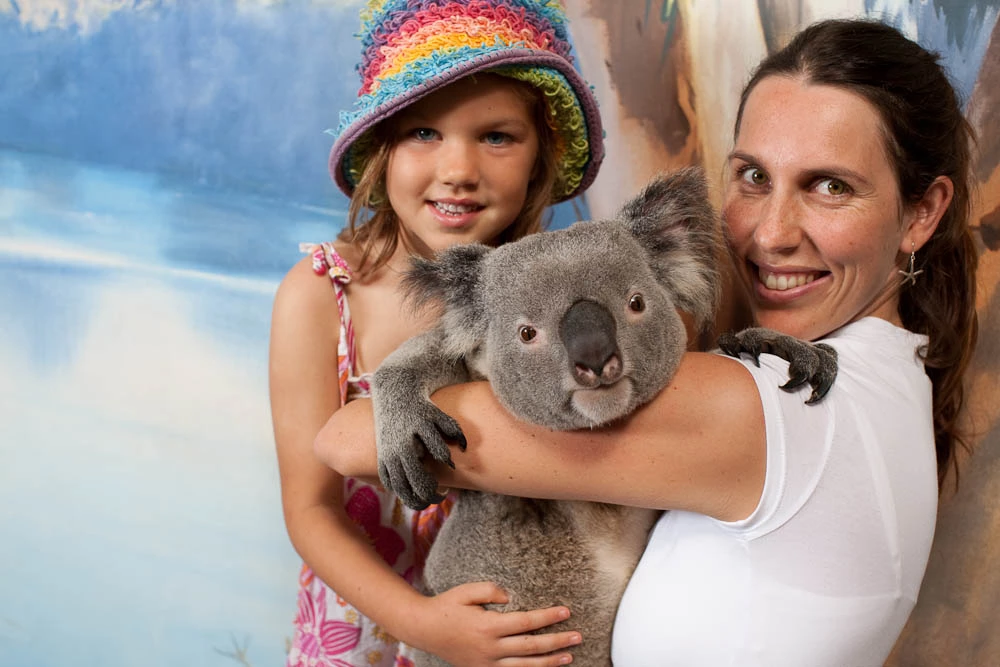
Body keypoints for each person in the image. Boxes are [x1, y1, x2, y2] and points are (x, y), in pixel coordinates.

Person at [315, 18, 980, 666]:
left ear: (922, 211)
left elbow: (349, 438)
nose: (773, 233)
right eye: (752, 176)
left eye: (831, 186)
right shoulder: (870, 379)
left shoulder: (776, 402)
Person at [268, 1, 605, 665]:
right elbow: (310, 509)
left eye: (497, 136)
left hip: (514, 629)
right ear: (381, 148)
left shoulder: (558, 298)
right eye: (424, 132)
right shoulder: (319, 297)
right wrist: (421, 623)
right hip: (367, 632)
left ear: (541, 156)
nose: (459, 169)